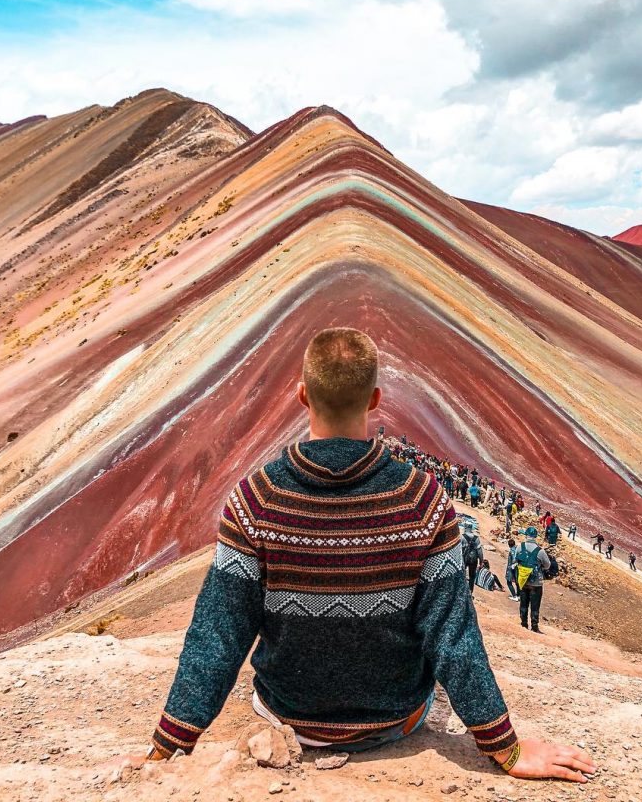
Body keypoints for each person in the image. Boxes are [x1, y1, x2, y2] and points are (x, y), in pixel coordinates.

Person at [141, 327, 596, 781]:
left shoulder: (255, 499)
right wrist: (506, 748)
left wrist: (168, 747)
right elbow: (452, 635)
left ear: (302, 396)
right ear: (376, 399)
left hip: (288, 717)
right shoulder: (422, 499)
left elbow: (218, 633)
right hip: (397, 720)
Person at [515, 527, 551, 634]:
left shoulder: (519, 547)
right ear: (535, 537)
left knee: (523, 603)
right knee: (535, 605)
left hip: (523, 581)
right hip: (536, 583)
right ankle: (534, 626)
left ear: (526, 535)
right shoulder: (540, 551)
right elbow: (547, 565)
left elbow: (516, 559)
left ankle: (524, 624)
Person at [462, 516, 485, 594]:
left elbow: (459, 549)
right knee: (472, 576)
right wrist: (481, 561)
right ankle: (470, 591)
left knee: (462, 574)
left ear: (465, 527)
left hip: (464, 559)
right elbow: (479, 551)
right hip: (473, 560)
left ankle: (462, 590)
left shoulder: (462, 537)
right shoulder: (476, 538)